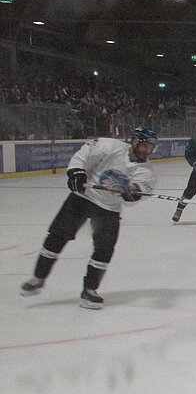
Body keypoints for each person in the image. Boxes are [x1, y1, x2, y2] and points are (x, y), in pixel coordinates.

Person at [19, 126, 159, 309]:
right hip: (83, 197)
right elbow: (82, 156)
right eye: (145, 146)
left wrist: (133, 193)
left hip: (108, 208)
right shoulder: (110, 147)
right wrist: (77, 172)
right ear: (134, 141)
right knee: (57, 236)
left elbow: (136, 195)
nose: (147, 151)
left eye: (150, 147)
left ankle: (90, 291)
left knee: (104, 249)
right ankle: (38, 278)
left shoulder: (146, 171)